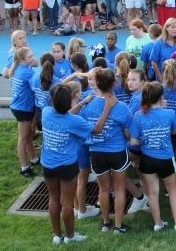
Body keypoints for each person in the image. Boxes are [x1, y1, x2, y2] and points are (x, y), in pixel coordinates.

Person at [41, 84, 111, 245]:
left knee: (53, 199)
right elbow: (97, 130)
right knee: (67, 203)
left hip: (48, 164)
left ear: (52, 101)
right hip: (67, 166)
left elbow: (64, 114)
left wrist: (82, 103)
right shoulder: (74, 121)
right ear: (68, 101)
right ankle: (70, 236)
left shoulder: (46, 113)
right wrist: (107, 107)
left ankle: (57, 235)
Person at [78, 68, 132, 234]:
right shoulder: (122, 106)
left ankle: (105, 223)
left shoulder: (88, 105)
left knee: (103, 189)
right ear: (113, 84)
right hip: (117, 151)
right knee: (120, 189)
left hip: (96, 152)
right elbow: (128, 132)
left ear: (96, 84)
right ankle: (118, 226)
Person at [129, 82, 176, 233]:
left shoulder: (138, 115)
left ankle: (158, 224)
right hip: (166, 159)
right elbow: (175, 131)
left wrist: (147, 138)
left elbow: (134, 141)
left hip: (147, 159)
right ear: (162, 97)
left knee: (153, 193)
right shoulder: (169, 113)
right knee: (172, 190)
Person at [9, 47, 39, 177]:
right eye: (30, 57)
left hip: (21, 106)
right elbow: (40, 81)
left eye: (33, 55)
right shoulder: (26, 73)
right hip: (22, 109)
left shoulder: (19, 68)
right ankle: (24, 167)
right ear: (22, 59)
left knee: (28, 135)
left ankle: (34, 159)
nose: (33, 58)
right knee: (23, 137)